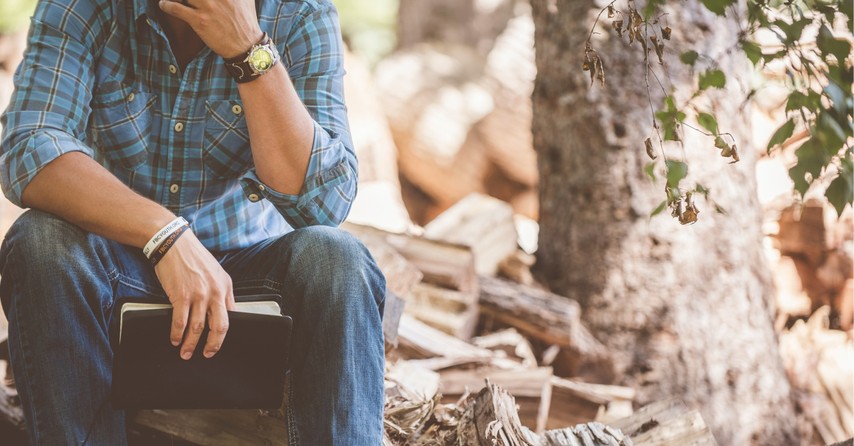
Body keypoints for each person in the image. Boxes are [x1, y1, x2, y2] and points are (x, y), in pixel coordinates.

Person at [0, 0, 386, 444]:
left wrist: (248, 51)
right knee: (40, 241)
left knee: (338, 260)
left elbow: (326, 203)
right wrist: (163, 236)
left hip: (248, 293)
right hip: (114, 277)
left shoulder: (301, 13)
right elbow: (30, 149)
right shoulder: (81, 7)